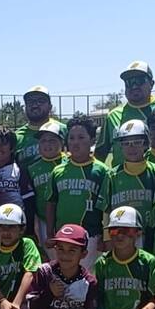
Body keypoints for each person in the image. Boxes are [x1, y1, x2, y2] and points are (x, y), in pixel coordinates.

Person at [44, 116, 109, 271]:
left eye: (81, 137)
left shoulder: (101, 171)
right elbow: (51, 203)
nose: (75, 142)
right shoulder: (58, 171)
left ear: (92, 140)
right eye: (71, 138)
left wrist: (106, 236)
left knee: (86, 276)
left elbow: (107, 206)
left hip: (91, 235)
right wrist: (49, 233)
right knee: (64, 274)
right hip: (64, 235)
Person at [95, 61, 155, 161]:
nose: (134, 86)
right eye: (129, 82)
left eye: (140, 81)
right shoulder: (113, 116)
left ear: (151, 83)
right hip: (122, 176)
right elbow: (100, 153)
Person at [98, 120, 155, 247]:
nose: (131, 147)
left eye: (137, 142)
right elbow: (106, 209)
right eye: (126, 143)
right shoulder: (112, 175)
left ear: (146, 144)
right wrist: (107, 238)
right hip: (120, 235)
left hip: (149, 234)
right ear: (120, 146)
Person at [0, 127, 33, 244]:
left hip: (17, 228)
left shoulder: (20, 170)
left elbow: (29, 201)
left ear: (12, 147)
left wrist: (29, 230)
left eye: (3, 144)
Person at [23, 120, 65, 256]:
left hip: (66, 219)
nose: (47, 145)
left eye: (52, 140)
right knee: (51, 257)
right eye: (43, 141)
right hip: (43, 220)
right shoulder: (32, 168)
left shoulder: (69, 162)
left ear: (62, 142)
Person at [15, 86, 67, 168]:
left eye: (40, 101)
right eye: (30, 101)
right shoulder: (16, 136)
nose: (35, 105)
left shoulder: (63, 129)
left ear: (50, 106)